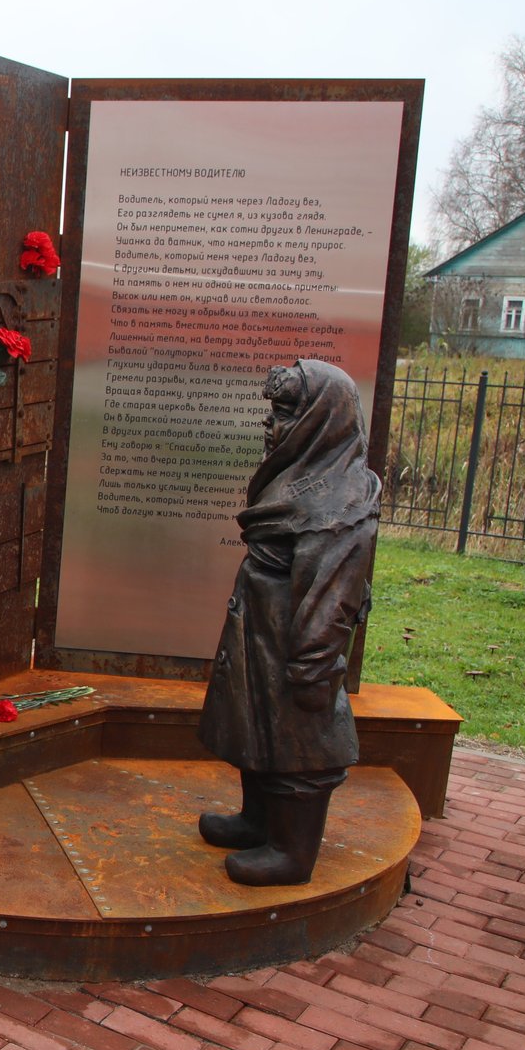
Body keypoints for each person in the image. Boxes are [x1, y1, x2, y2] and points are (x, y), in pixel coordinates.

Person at [197, 359, 379, 886]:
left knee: (298, 740)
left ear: (320, 422)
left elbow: (330, 598)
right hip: (260, 634)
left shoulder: (342, 502)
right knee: (255, 728)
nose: (269, 425)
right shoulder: (296, 478)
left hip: (294, 644)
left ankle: (293, 852)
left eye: (282, 414)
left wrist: (312, 666)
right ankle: (258, 821)